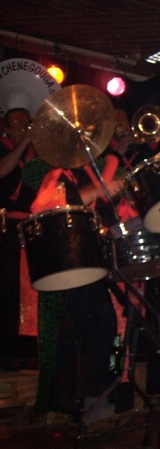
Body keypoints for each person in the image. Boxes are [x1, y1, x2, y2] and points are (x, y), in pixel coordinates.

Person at [23, 148, 126, 418]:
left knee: (106, 327)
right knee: (80, 327)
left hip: (93, 260)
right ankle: (75, 397)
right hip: (70, 262)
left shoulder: (91, 171)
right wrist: (98, 190)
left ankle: (102, 392)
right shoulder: (57, 173)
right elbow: (45, 206)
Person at [0, 107, 38, 370]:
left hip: (32, 225)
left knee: (31, 289)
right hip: (7, 227)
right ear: (6, 128)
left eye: (27, 122)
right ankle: (7, 351)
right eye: (17, 122)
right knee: (8, 288)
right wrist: (25, 142)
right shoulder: (4, 148)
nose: (23, 125)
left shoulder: (38, 153)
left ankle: (29, 349)